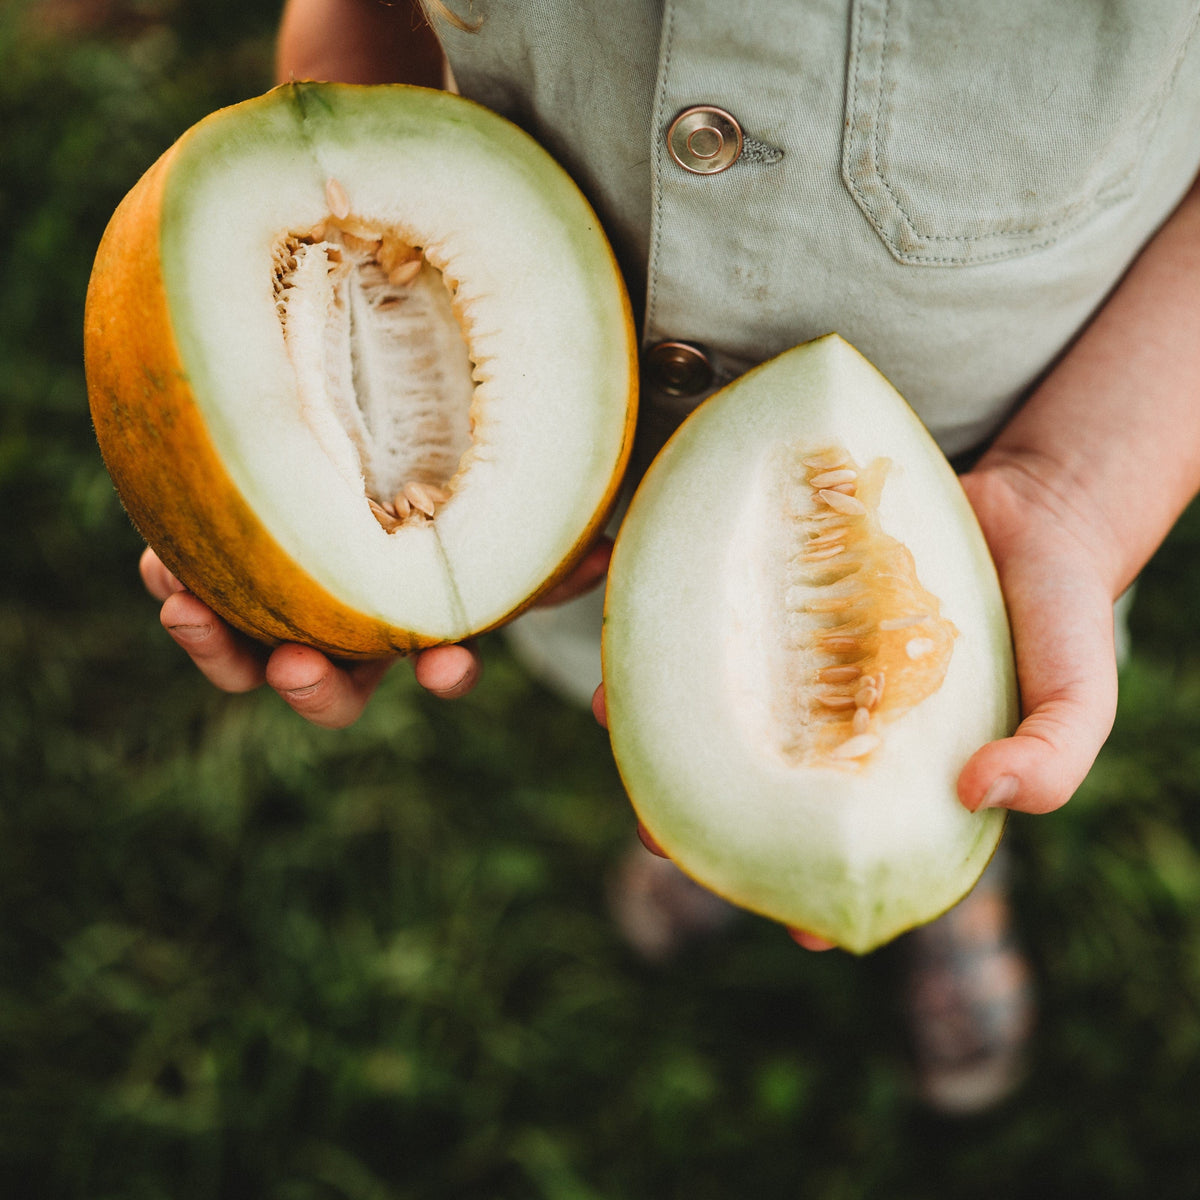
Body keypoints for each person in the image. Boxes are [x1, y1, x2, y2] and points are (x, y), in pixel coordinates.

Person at [139, 0, 1200, 1111]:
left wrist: (1074, 490)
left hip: (989, 475)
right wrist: (261, 524)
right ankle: (704, 822)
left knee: (971, 756)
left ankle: (946, 894)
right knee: (648, 717)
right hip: (578, 537)